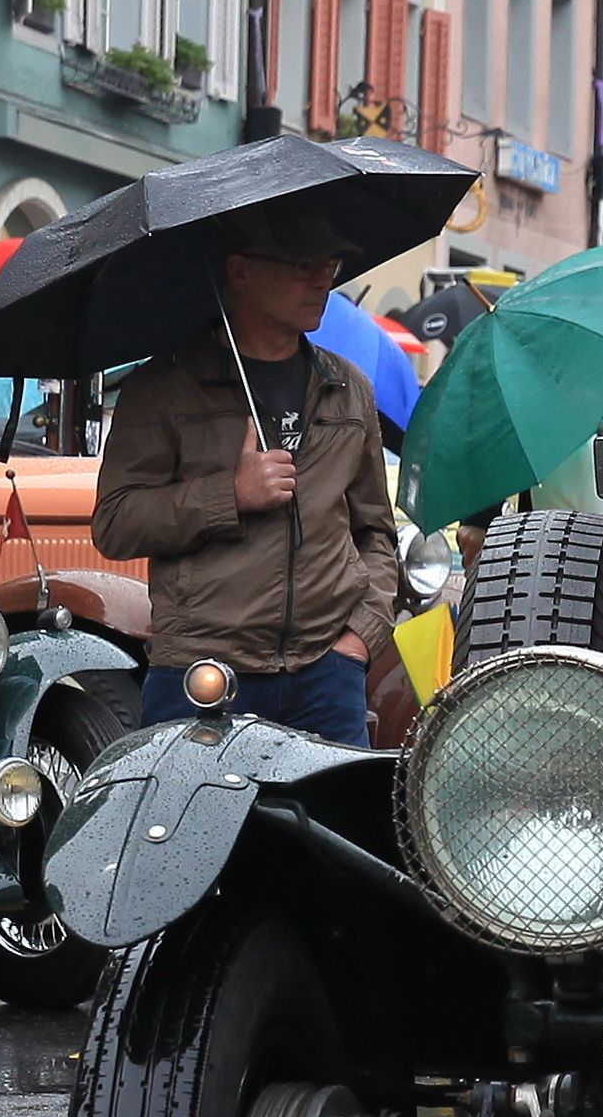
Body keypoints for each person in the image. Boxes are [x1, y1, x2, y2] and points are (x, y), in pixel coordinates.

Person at [91, 213, 407, 745]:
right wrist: (230, 494)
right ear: (240, 271)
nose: (322, 280)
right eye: (303, 265)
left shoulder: (347, 389)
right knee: (191, 828)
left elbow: (375, 533)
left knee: (338, 828)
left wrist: (360, 637)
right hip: (203, 672)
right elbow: (116, 523)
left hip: (327, 675)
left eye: (329, 265)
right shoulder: (166, 387)